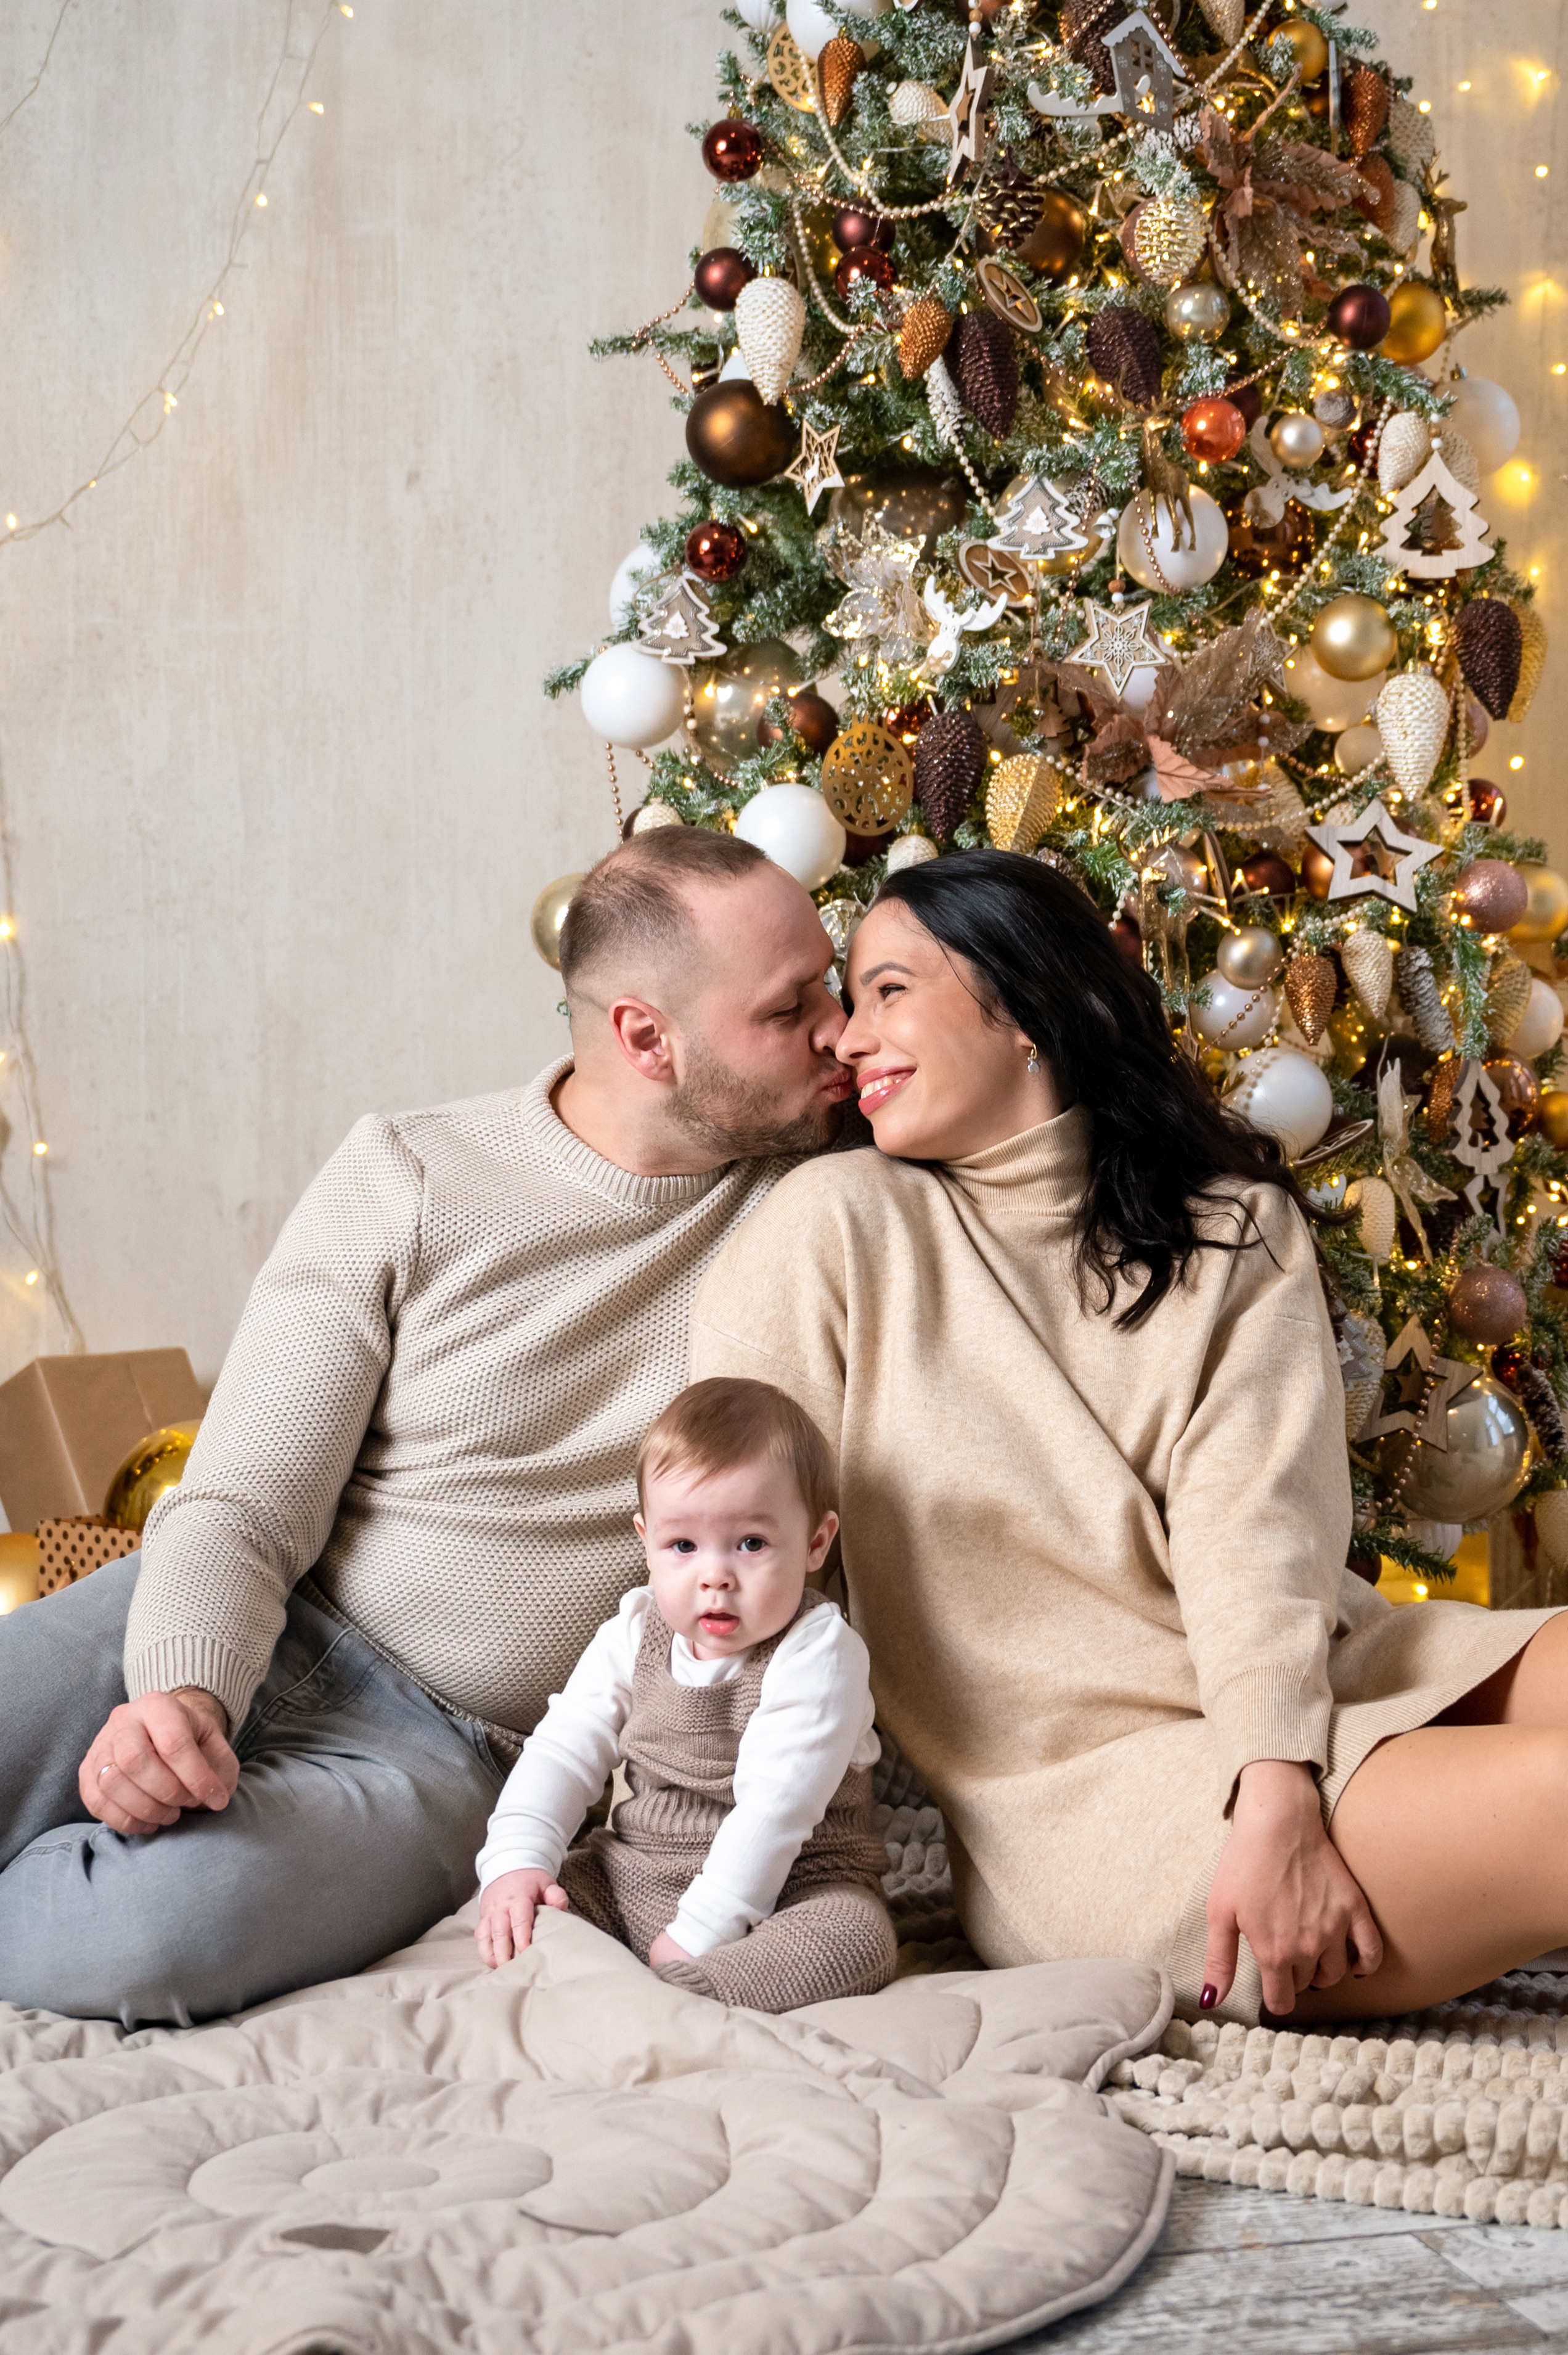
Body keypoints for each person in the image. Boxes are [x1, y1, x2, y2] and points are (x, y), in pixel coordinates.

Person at [690, 848, 1568, 2028]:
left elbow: (1254, 1526)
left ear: (1027, 1011)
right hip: (1104, 1796)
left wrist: (1276, 1779)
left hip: (1310, 1681)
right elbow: (728, 1563)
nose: (847, 1037)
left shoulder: (1227, 1225)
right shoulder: (828, 1232)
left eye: (888, 989)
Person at [0, 827, 852, 2026]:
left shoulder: (818, 1210)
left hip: (445, 1755)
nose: (841, 1023)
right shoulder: (412, 1173)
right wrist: (182, 1692)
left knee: (144, 1936)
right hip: (258, 1604)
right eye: (792, 1003)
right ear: (646, 1037)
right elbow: (242, 1499)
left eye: (833, 978)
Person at [474, 1376, 894, 2011]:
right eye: (683, 1546)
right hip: (637, 1870)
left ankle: (678, 1994)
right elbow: (564, 1747)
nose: (716, 1576)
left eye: (751, 1543)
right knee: (533, 1905)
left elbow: (774, 1810)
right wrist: (517, 1859)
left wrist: (698, 1935)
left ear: (815, 1542)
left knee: (855, 1939)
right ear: (646, 1542)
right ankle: (576, 1973)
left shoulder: (820, 1654)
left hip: (795, 1887)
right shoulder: (634, 1632)